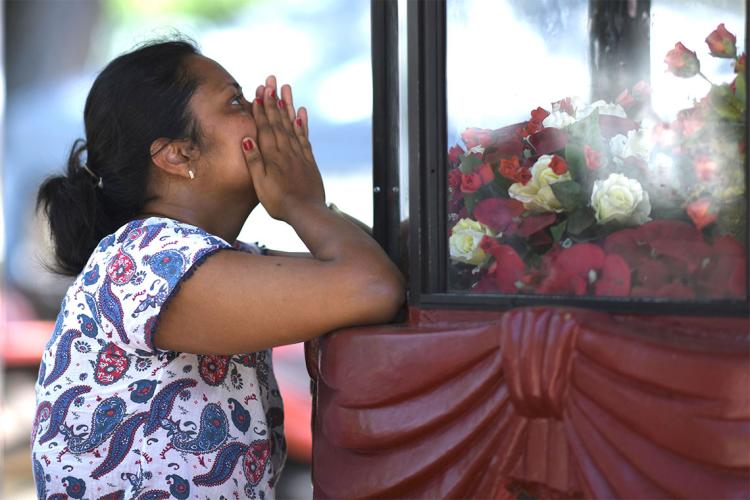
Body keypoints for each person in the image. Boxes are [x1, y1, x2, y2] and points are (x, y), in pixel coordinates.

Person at [31, 38, 405, 499]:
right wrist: (299, 202)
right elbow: (372, 287)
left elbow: (372, 265)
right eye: (235, 101)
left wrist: (308, 204)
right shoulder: (145, 259)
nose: (261, 113)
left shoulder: (217, 258)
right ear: (177, 155)